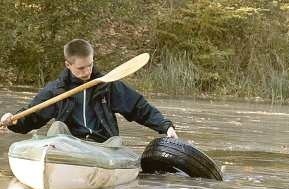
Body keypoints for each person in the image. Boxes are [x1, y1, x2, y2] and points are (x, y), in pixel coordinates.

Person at [0, 39, 177, 141]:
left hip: (102, 144)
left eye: (90, 65)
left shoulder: (108, 85)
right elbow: (32, 118)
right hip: (68, 143)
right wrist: (12, 121)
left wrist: (165, 127)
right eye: (81, 68)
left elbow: (139, 108)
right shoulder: (55, 90)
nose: (87, 72)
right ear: (68, 65)